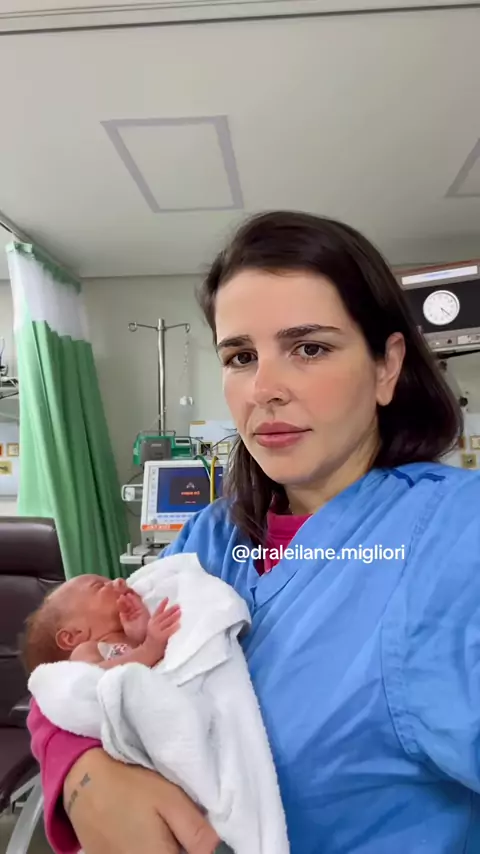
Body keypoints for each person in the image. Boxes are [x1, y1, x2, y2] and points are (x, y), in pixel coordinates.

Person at [27, 210, 480, 854]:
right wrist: (81, 772)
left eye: (310, 348)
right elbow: (72, 678)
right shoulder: (211, 538)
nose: (263, 389)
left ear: (386, 367)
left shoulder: (456, 536)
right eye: (241, 356)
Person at [22, 574, 181, 672]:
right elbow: (95, 677)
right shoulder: (85, 651)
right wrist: (149, 648)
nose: (119, 581)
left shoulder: (131, 639)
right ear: (73, 635)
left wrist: (141, 636)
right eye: (99, 586)